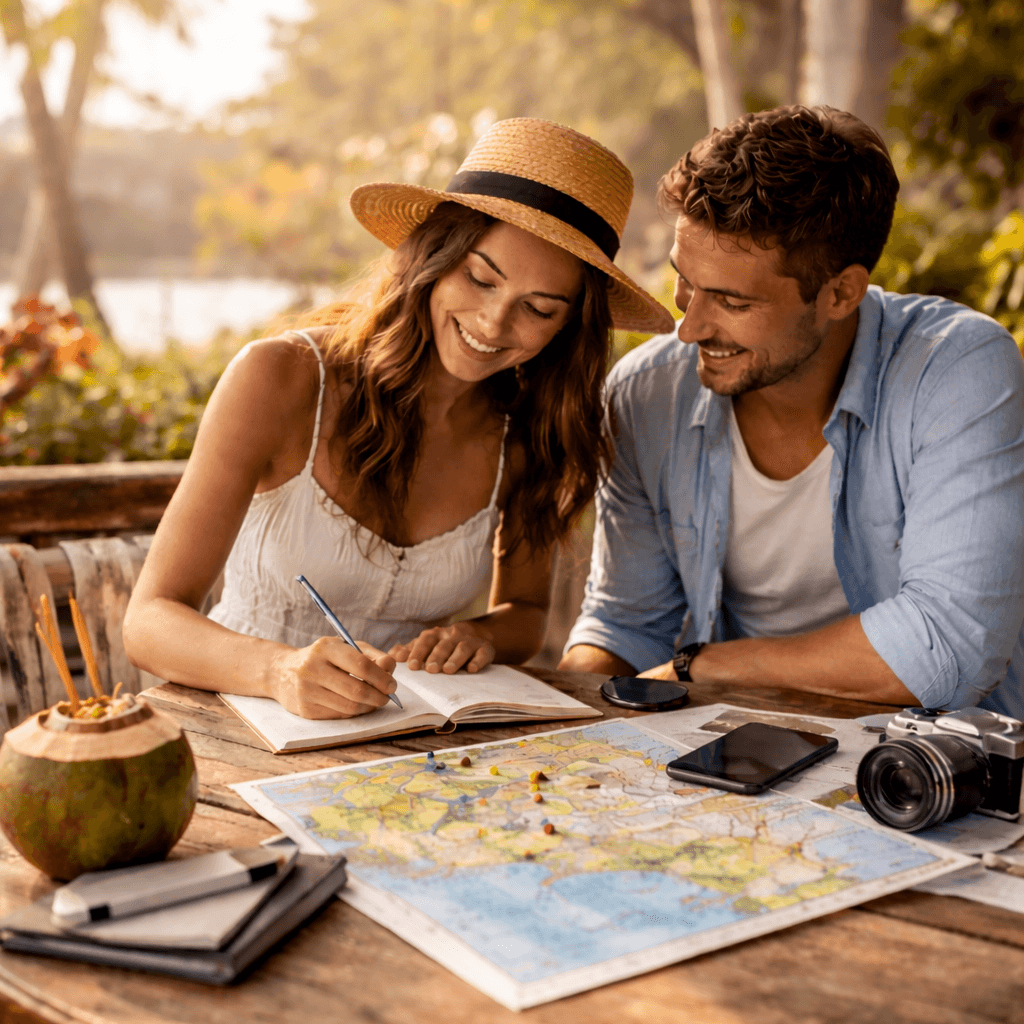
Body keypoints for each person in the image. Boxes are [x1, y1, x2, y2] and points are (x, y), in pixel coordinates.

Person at [123, 117, 673, 720]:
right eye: (479, 278)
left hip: (403, 742)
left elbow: (525, 614)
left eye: (538, 309)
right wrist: (277, 671)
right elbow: (148, 622)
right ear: (435, 257)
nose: (493, 323)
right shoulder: (281, 377)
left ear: (568, 326)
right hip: (235, 722)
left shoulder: (526, 432)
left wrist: (479, 635)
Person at [561, 104, 1024, 721]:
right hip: (735, 747)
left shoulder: (956, 370)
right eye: (685, 282)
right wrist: (537, 720)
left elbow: (948, 647)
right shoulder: (646, 394)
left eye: (731, 301)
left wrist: (706, 666)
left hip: (928, 757)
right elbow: (626, 625)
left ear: (840, 293)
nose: (688, 327)